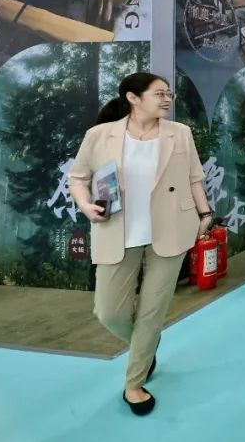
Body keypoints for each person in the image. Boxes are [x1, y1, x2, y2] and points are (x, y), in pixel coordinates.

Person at [67, 73, 213, 416]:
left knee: (151, 312)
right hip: (118, 231)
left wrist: (205, 214)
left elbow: (195, 178)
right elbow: (78, 178)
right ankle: (146, 344)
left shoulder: (180, 133)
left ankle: (134, 384)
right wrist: (86, 205)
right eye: (159, 93)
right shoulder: (100, 135)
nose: (167, 99)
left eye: (168, 93)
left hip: (171, 230)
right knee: (109, 312)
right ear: (134, 98)